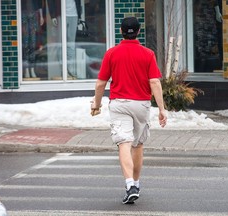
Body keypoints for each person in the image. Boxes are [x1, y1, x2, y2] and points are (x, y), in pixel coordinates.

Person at [91, 17, 167, 204]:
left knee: (124, 143)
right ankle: (137, 183)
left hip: (119, 104)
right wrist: (162, 109)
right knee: (138, 145)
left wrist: (97, 104)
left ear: (121, 31)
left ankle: (129, 184)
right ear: (139, 32)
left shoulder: (112, 53)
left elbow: (101, 83)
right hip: (141, 104)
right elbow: (155, 82)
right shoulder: (148, 54)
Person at [47, 0, 82, 78]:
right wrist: (52, 16)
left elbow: (78, 2)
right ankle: (63, 69)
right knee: (61, 44)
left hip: (74, 14)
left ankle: (70, 68)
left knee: (71, 44)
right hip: (61, 15)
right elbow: (50, 2)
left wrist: (79, 15)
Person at [21, 0, 44, 79]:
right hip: (23, 13)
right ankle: (26, 69)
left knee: (33, 43)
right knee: (26, 43)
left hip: (34, 13)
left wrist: (41, 16)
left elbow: (39, 3)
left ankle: (32, 69)